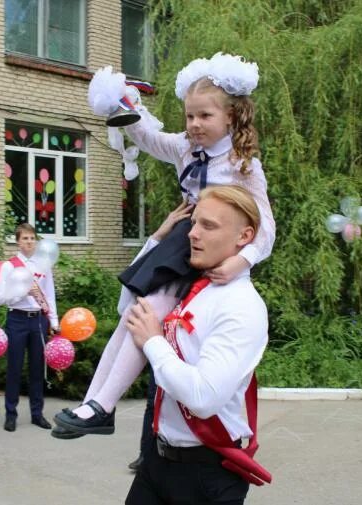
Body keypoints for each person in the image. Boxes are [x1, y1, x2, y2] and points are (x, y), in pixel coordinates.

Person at [53, 52, 275, 436]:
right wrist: (125, 106)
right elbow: (150, 138)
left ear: (231, 117)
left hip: (207, 245)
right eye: (189, 116)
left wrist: (245, 261)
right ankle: (94, 402)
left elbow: (267, 225)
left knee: (147, 313)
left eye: (205, 116)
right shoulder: (186, 149)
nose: (194, 124)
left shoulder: (244, 166)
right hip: (183, 238)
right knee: (133, 316)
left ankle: (103, 407)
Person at [122, 184, 269, 504]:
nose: (192, 233)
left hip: (207, 475)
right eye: (194, 223)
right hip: (157, 463)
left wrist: (154, 342)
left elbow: (203, 398)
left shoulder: (242, 305)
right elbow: (127, 310)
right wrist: (156, 242)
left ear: (244, 237)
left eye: (209, 226)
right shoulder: (191, 287)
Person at [0, 223, 60, 432]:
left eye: (32, 238)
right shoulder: (9, 266)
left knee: (37, 368)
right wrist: (23, 292)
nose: (29, 242)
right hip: (17, 319)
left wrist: (54, 321)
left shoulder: (43, 264)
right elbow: (1, 298)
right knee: (14, 367)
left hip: (38, 320)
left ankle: (37, 413)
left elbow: (49, 295)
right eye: (25, 238)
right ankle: (10, 414)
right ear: (18, 241)